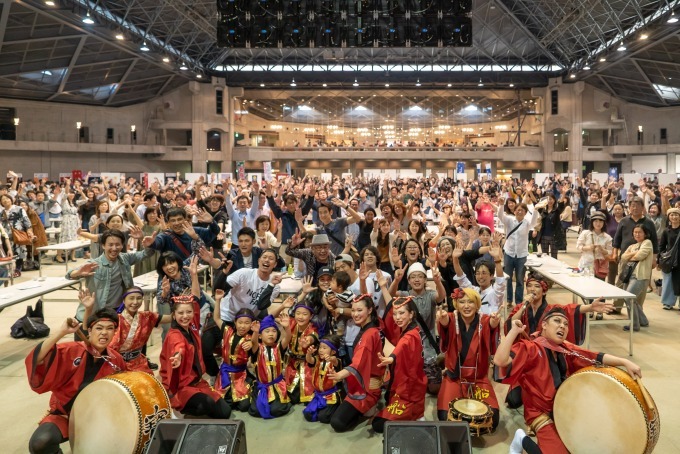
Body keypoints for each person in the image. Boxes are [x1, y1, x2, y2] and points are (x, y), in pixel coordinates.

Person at [495, 307, 642, 454]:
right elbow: (499, 360)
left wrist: (624, 361)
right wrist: (513, 331)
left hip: (563, 409)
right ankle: (521, 440)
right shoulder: (531, 348)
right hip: (540, 413)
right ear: (544, 325)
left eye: (566, 324)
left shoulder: (565, 348)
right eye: (557, 321)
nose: (562, 326)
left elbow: (594, 356)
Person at [25, 309, 126, 454]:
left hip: (98, 419)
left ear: (115, 332)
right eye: (99, 328)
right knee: (40, 443)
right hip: (63, 415)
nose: (104, 333)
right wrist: (61, 333)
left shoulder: (116, 360)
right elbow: (39, 359)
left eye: (110, 328)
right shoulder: (72, 350)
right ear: (89, 331)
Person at [503, 272, 612, 408]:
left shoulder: (552, 310)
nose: (532, 289)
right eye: (529, 286)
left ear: (544, 290)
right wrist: (525, 304)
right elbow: (511, 324)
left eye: (536, 286)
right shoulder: (521, 308)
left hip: (545, 360)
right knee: (513, 401)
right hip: (527, 357)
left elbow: (570, 310)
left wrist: (589, 307)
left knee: (552, 395)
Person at [159, 258, 231, 419]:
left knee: (225, 412)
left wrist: (193, 275)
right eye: (180, 313)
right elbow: (179, 346)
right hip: (180, 385)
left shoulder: (192, 324)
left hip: (197, 381)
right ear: (174, 315)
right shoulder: (174, 335)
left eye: (189, 312)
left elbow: (196, 297)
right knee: (204, 406)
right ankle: (179, 406)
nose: (185, 316)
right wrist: (178, 355)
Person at [435, 288, 501, 426]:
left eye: (470, 302)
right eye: (462, 302)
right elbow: (445, 324)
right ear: (456, 304)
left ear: (477, 304)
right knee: (444, 415)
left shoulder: (485, 320)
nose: (466, 306)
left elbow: (491, 326)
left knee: (492, 419)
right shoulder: (451, 318)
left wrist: (494, 324)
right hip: (455, 377)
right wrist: (442, 321)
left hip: (478, 378)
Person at [67, 229, 154, 322]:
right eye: (110, 245)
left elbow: (147, 253)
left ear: (122, 245)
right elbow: (69, 274)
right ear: (103, 245)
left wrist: (142, 239)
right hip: (97, 312)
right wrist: (78, 273)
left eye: (118, 244)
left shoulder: (125, 259)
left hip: (118, 310)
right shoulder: (94, 264)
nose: (114, 248)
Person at [370, 295, 427, 433]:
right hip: (406, 382)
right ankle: (416, 414)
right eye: (395, 314)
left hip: (410, 387)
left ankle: (416, 416)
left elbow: (403, 344)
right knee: (386, 401)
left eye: (402, 313)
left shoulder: (411, 334)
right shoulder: (409, 329)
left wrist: (392, 358)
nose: (397, 317)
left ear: (411, 314)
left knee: (377, 424)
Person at [80, 286, 170, 374]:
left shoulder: (147, 317)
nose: (135, 302)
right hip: (113, 364)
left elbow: (173, 317)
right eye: (131, 298)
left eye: (139, 298)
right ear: (123, 300)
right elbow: (88, 328)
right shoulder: (113, 319)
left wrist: (167, 298)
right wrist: (88, 308)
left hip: (139, 364)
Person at [328, 294, 384, 433]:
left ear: (370, 310)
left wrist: (340, 375)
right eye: (353, 310)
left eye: (359, 310)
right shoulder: (369, 328)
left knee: (337, 423)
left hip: (367, 388)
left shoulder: (369, 334)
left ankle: (369, 408)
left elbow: (359, 362)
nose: (355, 314)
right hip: (360, 382)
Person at [388, 262, 445, 394]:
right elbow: (391, 295)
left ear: (425, 279)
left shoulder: (430, 295)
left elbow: (441, 296)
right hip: (410, 345)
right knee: (412, 386)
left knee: (434, 389)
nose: (417, 279)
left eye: (420, 276)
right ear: (408, 280)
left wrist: (438, 282)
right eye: (413, 277)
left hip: (429, 347)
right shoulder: (405, 295)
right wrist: (396, 280)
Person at [248, 314, 293, 419]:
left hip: (277, 386)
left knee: (276, 409)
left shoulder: (279, 347)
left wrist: (287, 327)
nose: (271, 334)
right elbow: (253, 342)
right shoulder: (257, 349)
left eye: (274, 331)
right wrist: (255, 331)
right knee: (255, 411)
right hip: (262, 386)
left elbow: (288, 337)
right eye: (267, 331)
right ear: (260, 335)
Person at [498, 199, 539, 305]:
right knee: (508, 278)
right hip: (509, 253)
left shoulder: (527, 223)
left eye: (522, 210)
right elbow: (500, 216)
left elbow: (534, 222)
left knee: (520, 280)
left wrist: (535, 210)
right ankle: (509, 300)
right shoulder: (510, 220)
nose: (520, 211)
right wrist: (502, 205)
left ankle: (519, 301)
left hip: (521, 255)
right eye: (518, 210)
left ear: (525, 213)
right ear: (514, 211)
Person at [452, 235, 506, 315]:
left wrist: (497, 259)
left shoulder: (495, 293)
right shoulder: (473, 290)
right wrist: (455, 259)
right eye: (478, 273)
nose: (480, 276)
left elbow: (500, 280)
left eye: (484, 273)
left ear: (491, 276)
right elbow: (461, 278)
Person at [215, 307, 256, 412]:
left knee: (244, 406)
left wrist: (252, 342)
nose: (242, 326)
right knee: (224, 401)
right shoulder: (228, 332)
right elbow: (216, 318)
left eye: (247, 323)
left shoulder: (250, 339)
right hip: (225, 372)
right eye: (240, 322)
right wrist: (218, 300)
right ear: (235, 322)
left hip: (240, 375)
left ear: (251, 324)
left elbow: (257, 344)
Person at [303, 334, 343, 424]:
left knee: (323, 417)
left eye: (324, 348)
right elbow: (310, 360)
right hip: (319, 395)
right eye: (320, 347)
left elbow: (335, 361)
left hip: (330, 396)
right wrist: (308, 354)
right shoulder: (317, 359)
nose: (321, 350)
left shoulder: (336, 361)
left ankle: (336, 407)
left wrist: (331, 359)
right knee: (308, 415)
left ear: (333, 351)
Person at [620, 225, 653, 331]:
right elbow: (623, 257)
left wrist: (631, 255)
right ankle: (643, 321)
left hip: (640, 276)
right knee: (631, 299)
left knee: (629, 298)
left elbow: (640, 256)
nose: (637, 234)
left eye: (640, 232)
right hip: (629, 275)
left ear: (645, 233)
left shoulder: (647, 243)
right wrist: (634, 253)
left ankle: (634, 325)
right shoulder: (632, 245)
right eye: (635, 232)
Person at [576, 211, 613, 288]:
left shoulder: (607, 237)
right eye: (596, 221)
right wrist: (588, 248)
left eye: (600, 221)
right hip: (586, 265)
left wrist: (602, 250)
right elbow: (578, 247)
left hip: (600, 267)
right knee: (586, 288)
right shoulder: (585, 233)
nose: (598, 223)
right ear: (592, 222)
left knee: (600, 289)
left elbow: (610, 252)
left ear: (604, 223)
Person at [660, 208, 680, 310]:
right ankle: (668, 302)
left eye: (676, 215)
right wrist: (661, 258)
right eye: (672, 215)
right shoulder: (666, 231)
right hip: (669, 260)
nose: (674, 217)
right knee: (668, 281)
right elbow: (662, 246)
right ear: (669, 217)